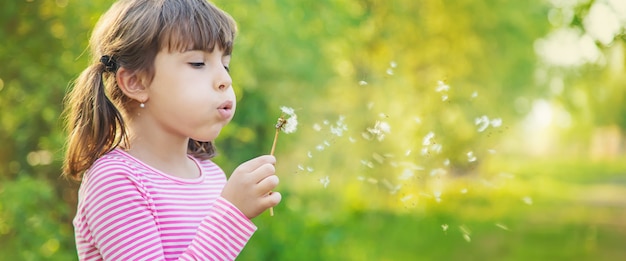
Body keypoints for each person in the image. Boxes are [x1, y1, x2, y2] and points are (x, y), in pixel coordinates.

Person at [62, 0, 281, 260]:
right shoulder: (116, 180)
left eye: (225, 64)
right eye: (198, 63)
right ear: (136, 82)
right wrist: (231, 213)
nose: (225, 79)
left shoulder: (212, 177)